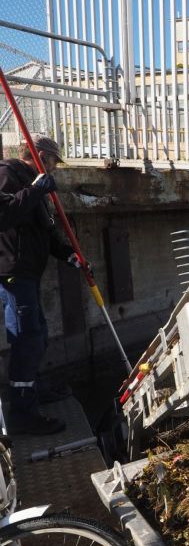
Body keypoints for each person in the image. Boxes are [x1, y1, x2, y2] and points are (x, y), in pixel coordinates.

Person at [0, 134, 80, 435]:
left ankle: (33, 391)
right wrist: (34, 191)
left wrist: (69, 255)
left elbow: (44, 232)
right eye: (53, 162)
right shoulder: (8, 173)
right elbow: (4, 215)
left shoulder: (36, 185)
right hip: (13, 272)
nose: (55, 169)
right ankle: (23, 413)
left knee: (39, 335)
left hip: (30, 273)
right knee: (26, 339)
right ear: (40, 155)